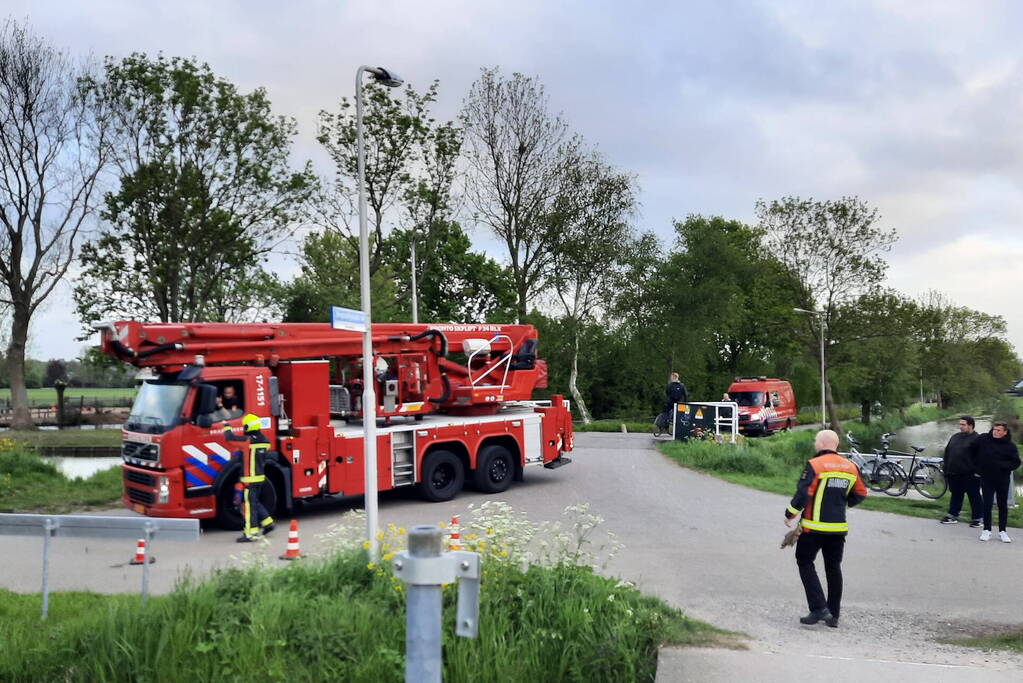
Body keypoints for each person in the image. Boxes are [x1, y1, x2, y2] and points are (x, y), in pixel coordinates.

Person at [784, 429, 867, 628]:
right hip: (838, 529)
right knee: (833, 567)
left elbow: (804, 493)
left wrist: (790, 514)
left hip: (813, 528)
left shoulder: (815, 465)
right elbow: (861, 493)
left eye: (815, 441)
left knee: (804, 561)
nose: (815, 443)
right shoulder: (851, 467)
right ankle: (834, 614)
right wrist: (843, 502)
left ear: (821, 444)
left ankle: (819, 607)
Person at [224, 413, 275, 542]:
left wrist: (226, 425)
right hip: (260, 478)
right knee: (255, 502)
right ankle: (268, 523)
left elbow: (229, 438)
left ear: (248, 427)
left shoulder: (247, 441)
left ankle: (250, 533)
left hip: (249, 480)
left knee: (249, 507)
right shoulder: (265, 441)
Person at [969, 421, 1021, 542]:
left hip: (1002, 479)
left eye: (998, 430)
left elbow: (1016, 462)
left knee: (1002, 505)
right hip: (986, 478)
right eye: (994, 429)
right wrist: (976, 466)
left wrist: (1003, 466)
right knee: (987, 504)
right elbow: (971, 449)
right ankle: (986, 530)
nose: (995, 432)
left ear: (1005, 432)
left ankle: (1002, 531)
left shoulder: (1010, 446)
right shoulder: (983, 439)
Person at [940, 416, 982, 527]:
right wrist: (946, 468)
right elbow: (947, 452)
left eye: (963, 425)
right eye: (960, 424)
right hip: (954, 472)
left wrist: (978, 472)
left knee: (974, 496)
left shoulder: (977, 439)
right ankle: (952, 515)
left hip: (970, 474)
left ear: (971, 425)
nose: (960, 427)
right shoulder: (955, 437)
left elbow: (982, 457)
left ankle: (978, 518)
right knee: (956, 495)